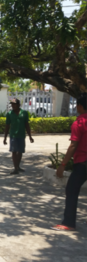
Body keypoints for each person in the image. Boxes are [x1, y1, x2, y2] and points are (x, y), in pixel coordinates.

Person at [52, 93, 87, 231]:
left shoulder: (79, 122)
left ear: (79, 106)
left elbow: (73, 145)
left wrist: (62, 165)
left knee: (72, 190)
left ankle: (68, 222)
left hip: (83, 162)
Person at [3, 98, 34, 175]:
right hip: (13, 135)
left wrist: (30, 136)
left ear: (19, 105)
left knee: (20, 151)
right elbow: (7, 126)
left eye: (14, 104)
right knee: (14, 151)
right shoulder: (9, 114)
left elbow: (27, 125)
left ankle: (18, 166)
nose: (13, 106)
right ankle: (15, 168)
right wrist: (5, 138)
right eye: (12, 104)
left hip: (21, 135)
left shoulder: (24, 113)